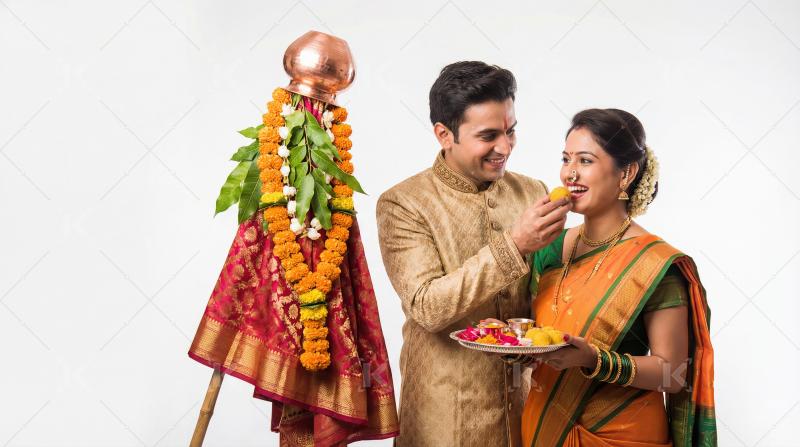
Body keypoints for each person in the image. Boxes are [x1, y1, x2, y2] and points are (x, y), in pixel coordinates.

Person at [376, 61, 571, 447]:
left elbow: (550, 291)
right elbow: (427, 307)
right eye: (488, 136)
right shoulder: (404, 204)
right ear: (444, 134)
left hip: (526, 409)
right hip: (445, 416)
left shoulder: (532, 192)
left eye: (510, 131)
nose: (505, 147)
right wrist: (515, 244)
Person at [519, 109, 716, 446]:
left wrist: (594, 360)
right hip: (543, 428)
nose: (570, 173)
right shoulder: (548, 249)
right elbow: (538, 336)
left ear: (626, 173)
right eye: (566, 159)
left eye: (585, 160)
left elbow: (673, 374)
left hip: (621, 435)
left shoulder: (655, 264)